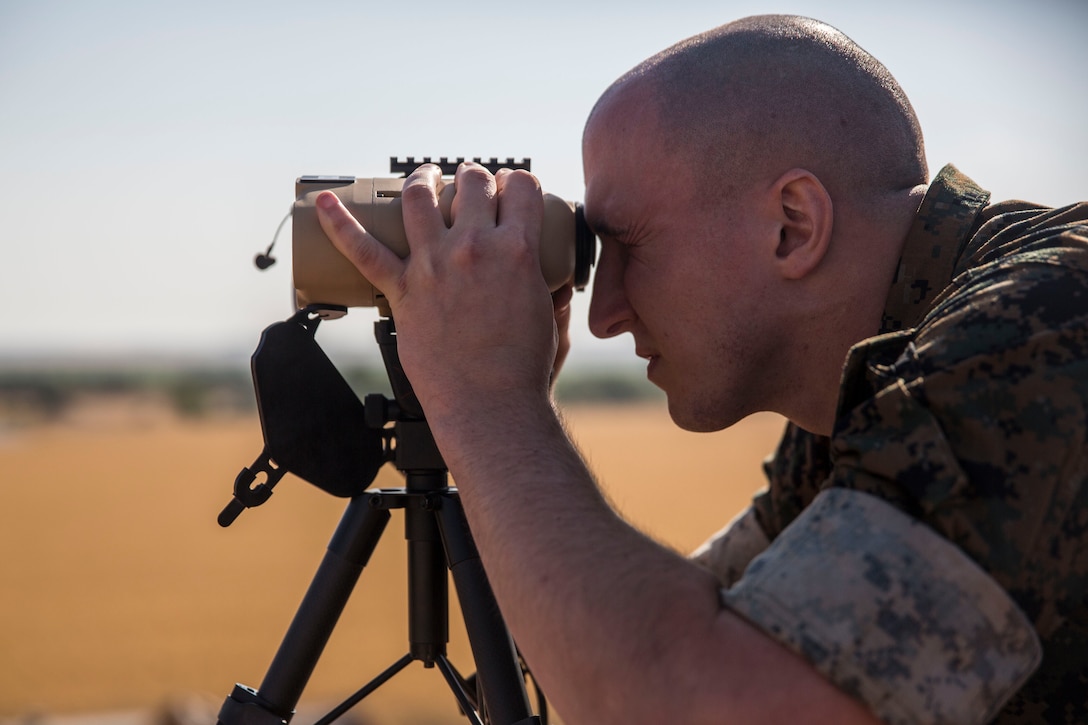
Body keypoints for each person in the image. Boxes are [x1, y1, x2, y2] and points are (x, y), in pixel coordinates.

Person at [315, 14, 1088, 724]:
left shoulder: (1037, 333)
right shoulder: (876, 387)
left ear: (792, 227)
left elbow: (689, 700)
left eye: (630, 247)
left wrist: (489, 403)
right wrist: (500, 405)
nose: (602, 313)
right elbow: (609, 655)